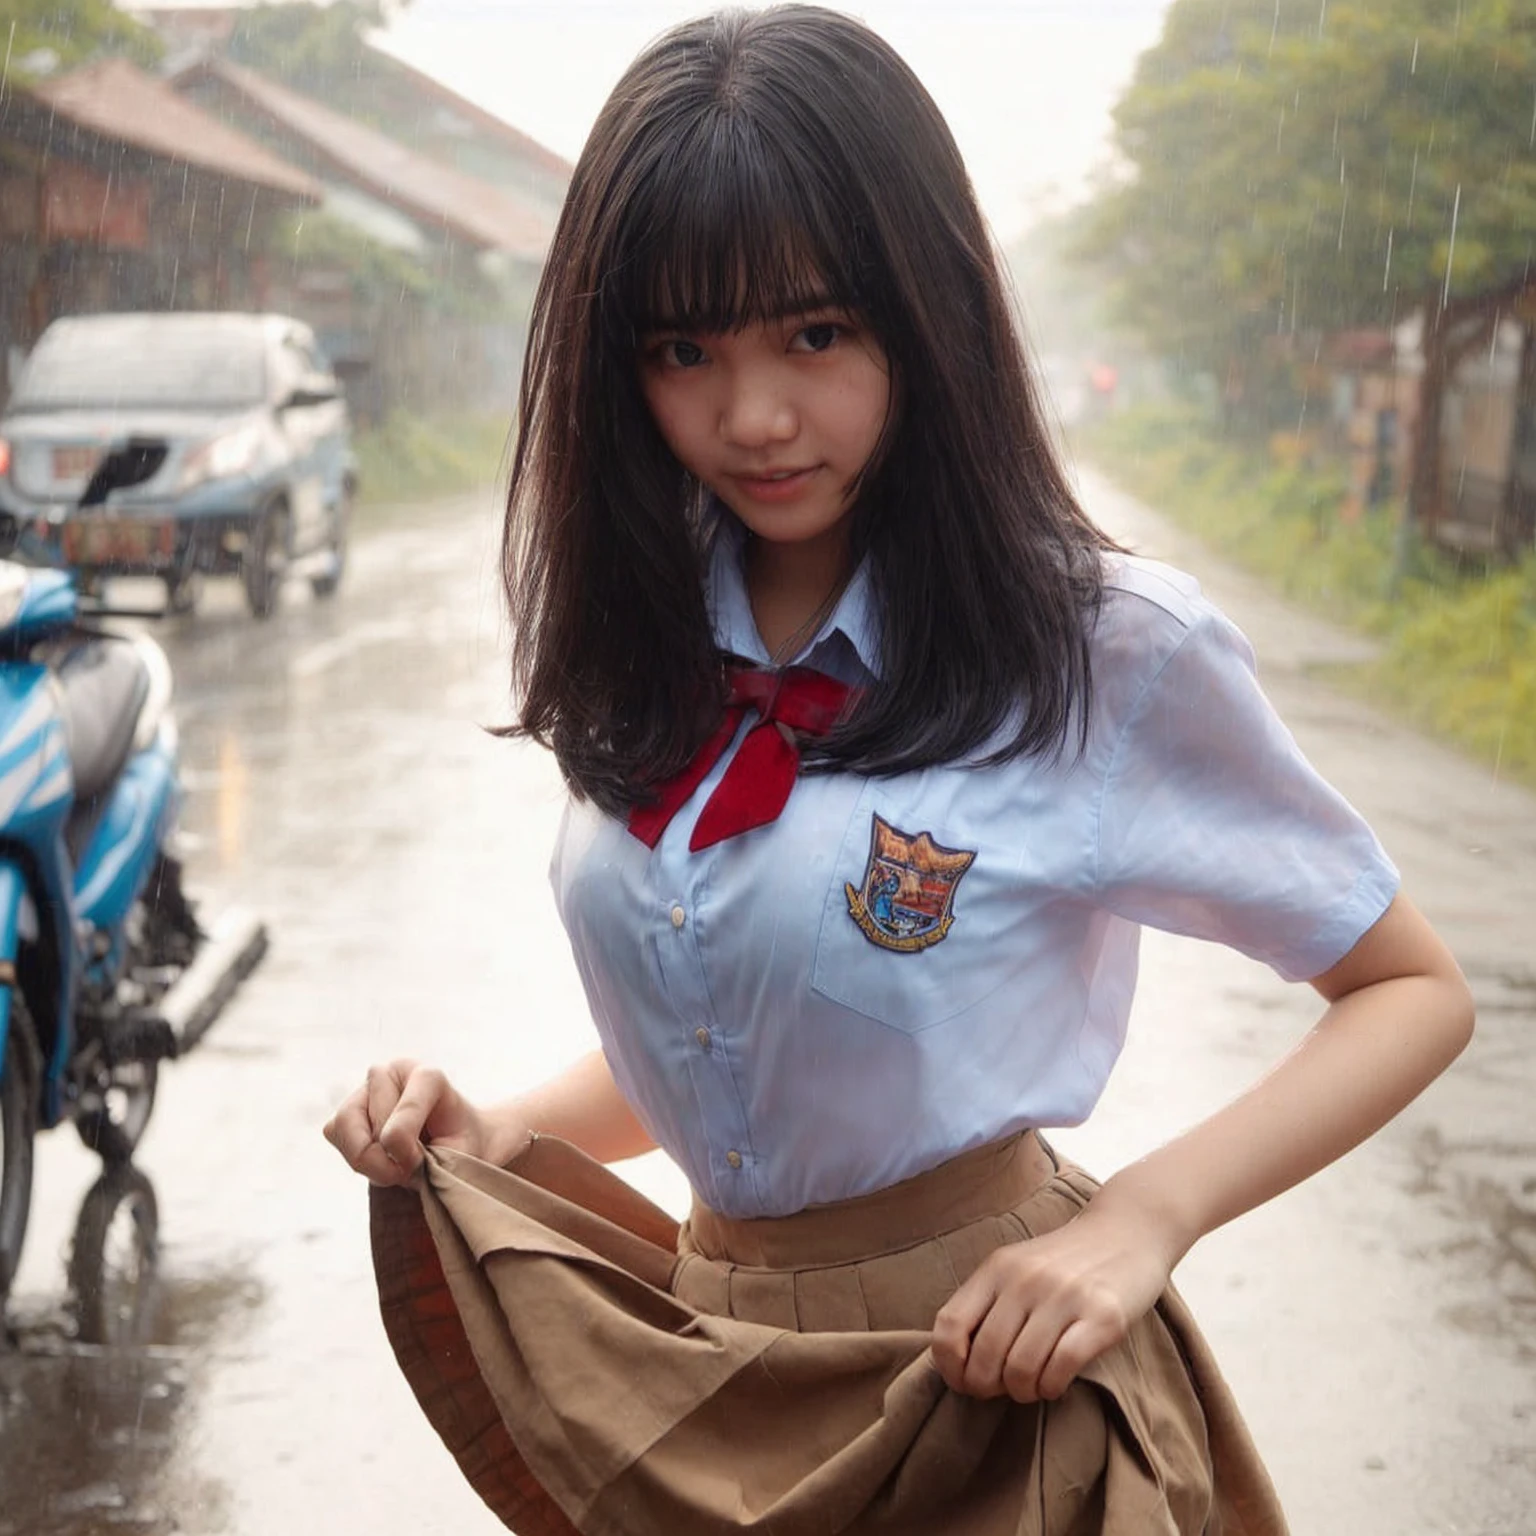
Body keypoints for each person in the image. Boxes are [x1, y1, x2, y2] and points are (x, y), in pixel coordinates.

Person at [323, 8, 1474, 1533]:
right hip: (707, 1389)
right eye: (684, 349)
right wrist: (495, 1134)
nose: (754, 417)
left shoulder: (1096, 650)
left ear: (926, 314)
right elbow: (759, 1022)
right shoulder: (653, 635)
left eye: (814, 332)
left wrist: (1144, 1220)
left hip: (1002, 1392)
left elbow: (1412, 991)